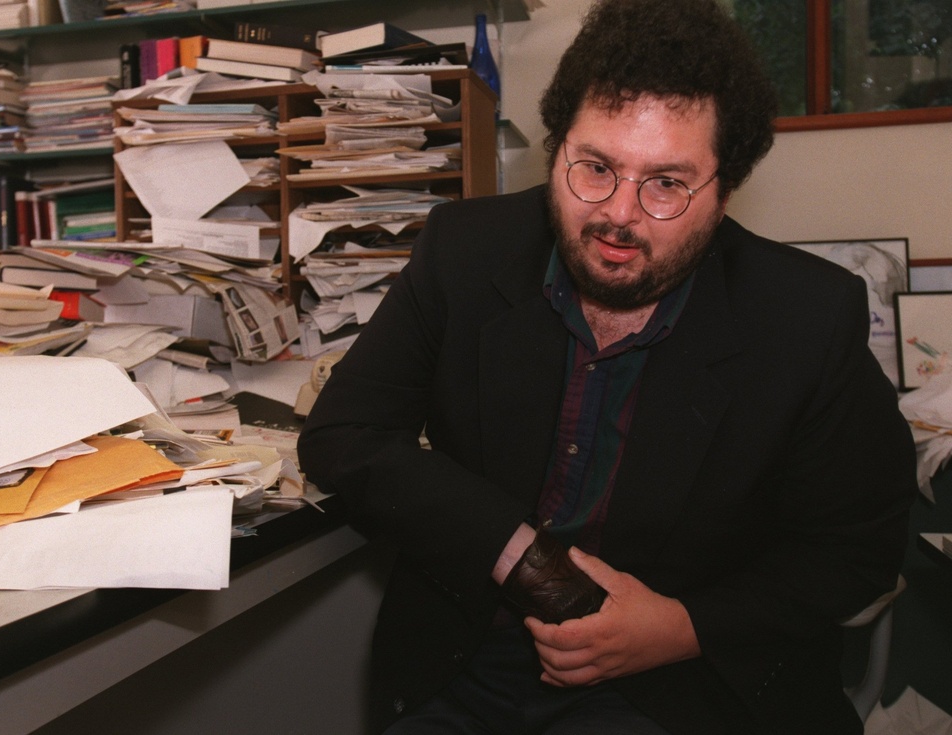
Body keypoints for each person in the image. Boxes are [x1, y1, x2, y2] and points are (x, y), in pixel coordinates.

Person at [297, 0, 918, 732]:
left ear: (725, 191)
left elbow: (860, 546)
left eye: (666, 184)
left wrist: (678, 627)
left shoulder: (806, 316)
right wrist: (516, 551)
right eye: (594, 167)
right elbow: (344, 432)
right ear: (557, 148)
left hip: (677, 683)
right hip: (465, 661)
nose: (618, 214)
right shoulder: (466, 251)